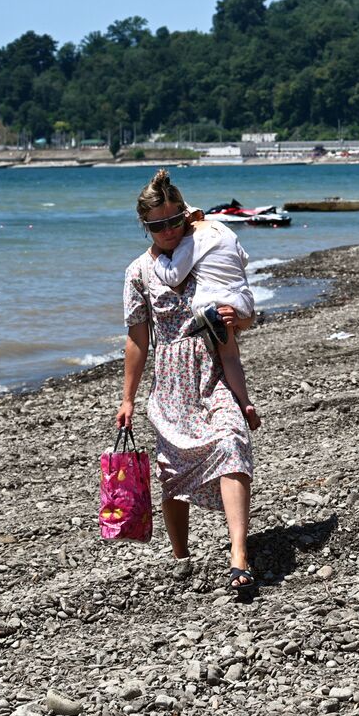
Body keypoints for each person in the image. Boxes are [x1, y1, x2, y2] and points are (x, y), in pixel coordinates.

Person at [117, 169, 259, 600]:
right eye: (156, 226)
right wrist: (127, 398)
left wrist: (245, 398)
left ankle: (239, 556)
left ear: (186, 215)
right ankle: (182, 556)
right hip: (171, 379)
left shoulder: (208, 250)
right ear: (145, 226)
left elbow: (242, 319)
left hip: (215, 367)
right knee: (171, 473)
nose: (167, 232)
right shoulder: (139, 272)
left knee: (232, 441)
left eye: (173, 222)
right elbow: (137, 339)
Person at [153, 206, 262, 434]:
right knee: (232, 355)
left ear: (185, 221)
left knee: (227, 355)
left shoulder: (190, 239)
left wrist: (158, 259)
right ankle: (245, 401)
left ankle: (242, 401)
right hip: (243, 298)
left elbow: (174, 276)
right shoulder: (223, 229)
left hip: (213, 302)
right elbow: (244, 259)